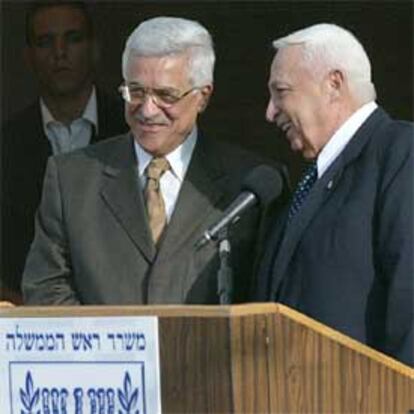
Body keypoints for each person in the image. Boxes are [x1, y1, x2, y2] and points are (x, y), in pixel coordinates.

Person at [22, 16, 286, 305]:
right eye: (135, 92)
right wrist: (113, 348)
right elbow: (46, 289)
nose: (147, 110)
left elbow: (265, 300)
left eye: (166, 95)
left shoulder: (251, 185)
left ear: (203, 97)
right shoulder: (70, 178)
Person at [254, 23, 413, 366]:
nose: (270, 112)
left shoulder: (400, 152)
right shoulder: (312, 178)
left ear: (333, 85)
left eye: (281, 91)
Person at [1, 1, 126, 303]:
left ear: (94, 48)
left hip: (122, 321)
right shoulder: (6, 145)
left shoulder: (133, 129)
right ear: (28, 56)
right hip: (27, 322)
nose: (60, 53)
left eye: (73, 39)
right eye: (45, 42)